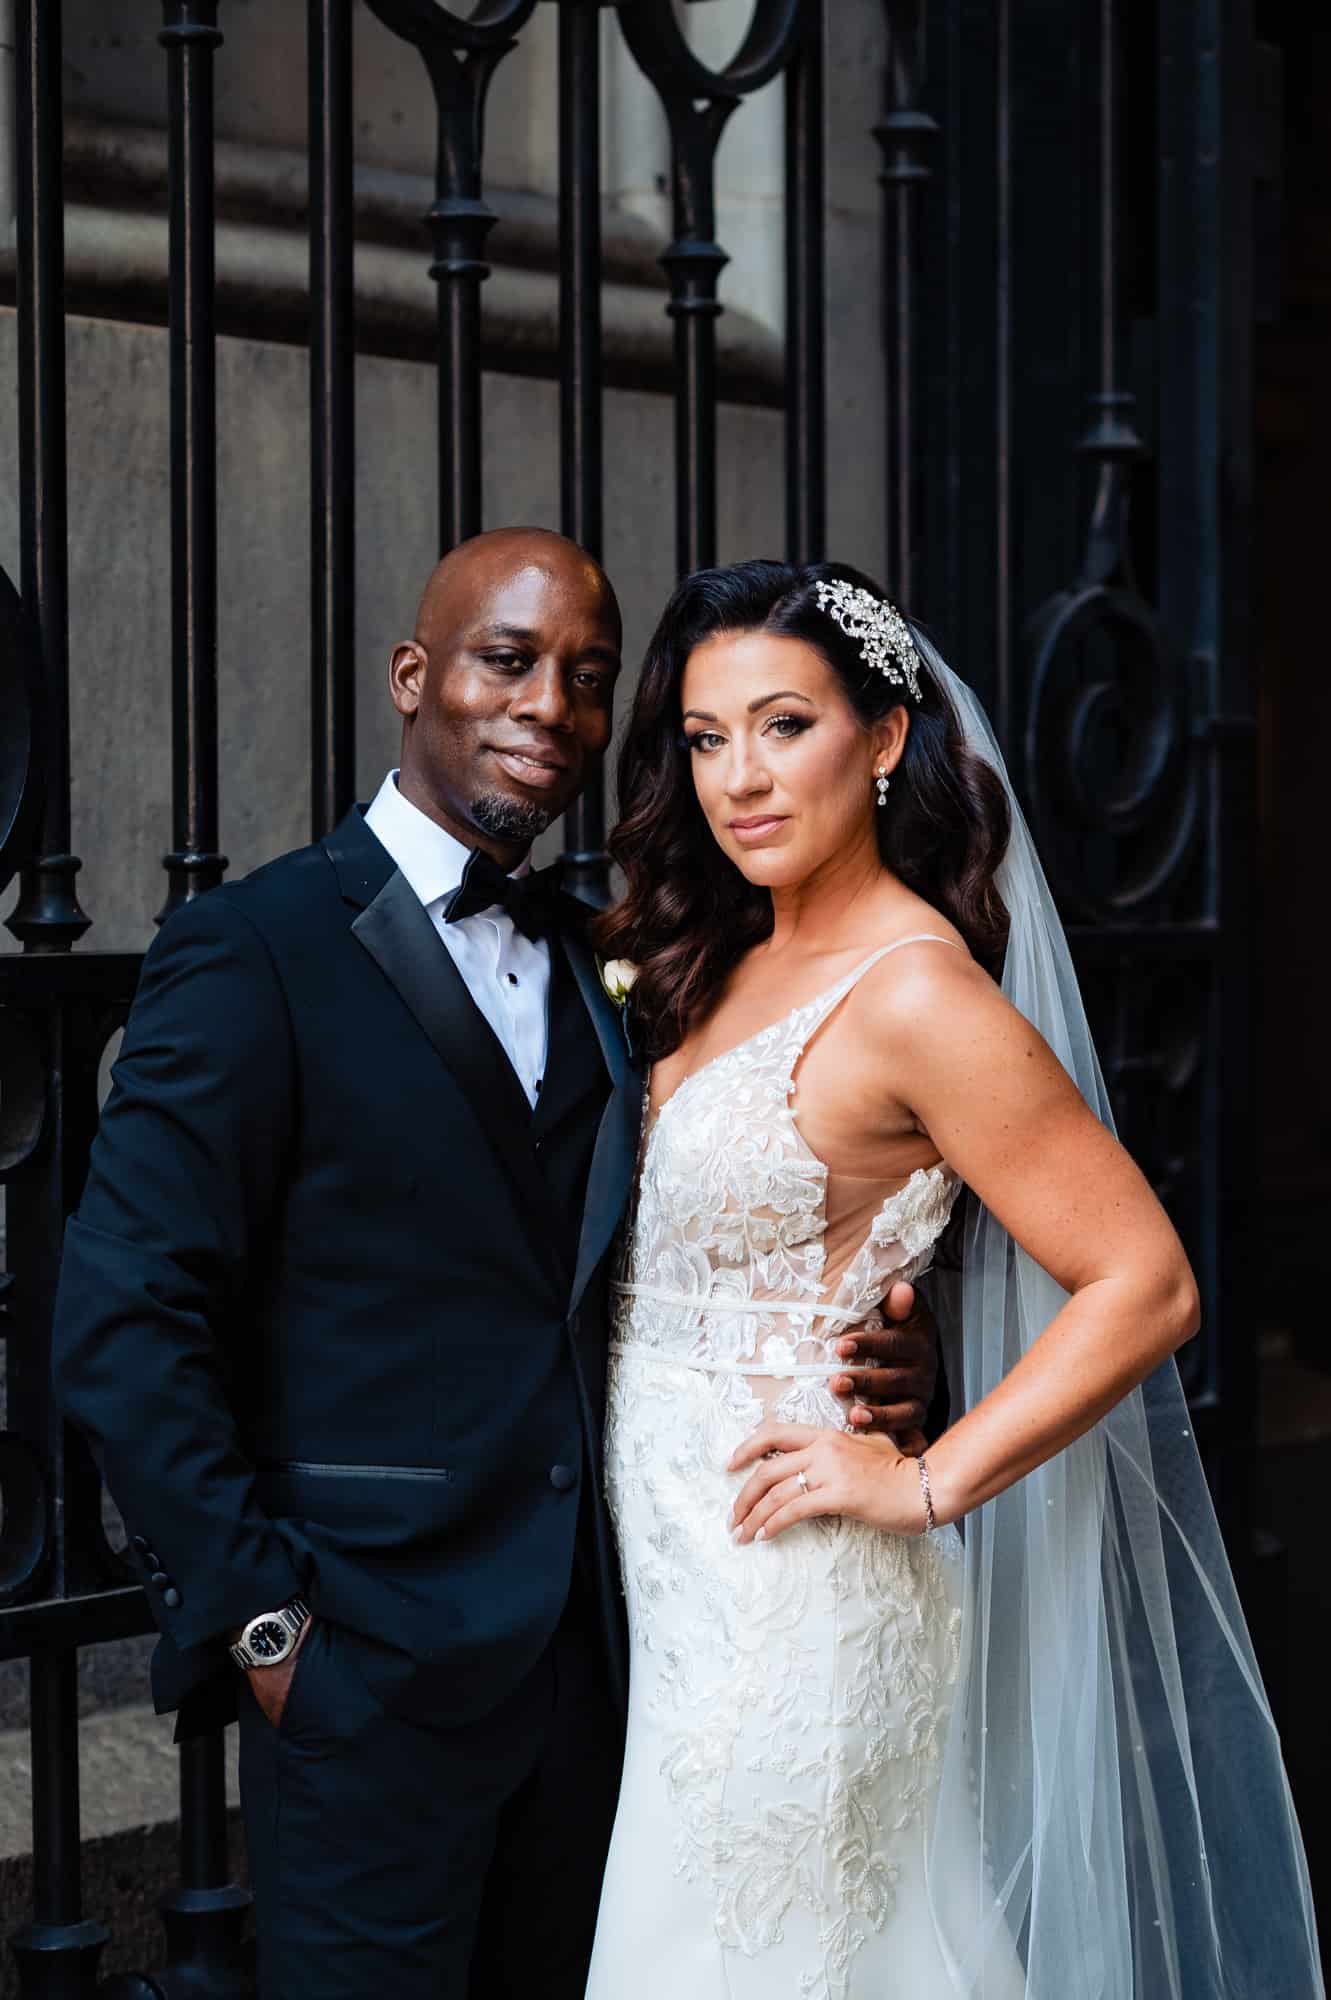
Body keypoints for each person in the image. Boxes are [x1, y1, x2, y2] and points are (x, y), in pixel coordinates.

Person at [50, 529, 937, 1999]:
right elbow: (123, 1320)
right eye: (509, 661)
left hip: (601, 1678)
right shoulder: (252, 948)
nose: (551, 708)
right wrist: (268, 1628)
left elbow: (728, 1236)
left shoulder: (611, 963)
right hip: (363, 1680)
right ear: (416, 677)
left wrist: (891, 1348)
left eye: (589, 680)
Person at [585, 559, 1322, 1999]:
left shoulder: (916, 992)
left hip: (799, 1601)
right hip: (677, 1585)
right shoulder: (717, 948)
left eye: (785, 725)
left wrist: (928, 1481)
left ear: (887, 738)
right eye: (705, 735)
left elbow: (1146, 1281)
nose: (739, 774)